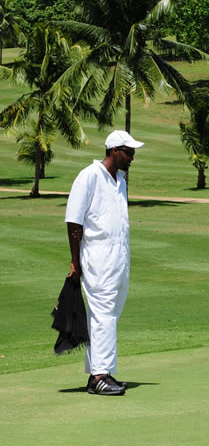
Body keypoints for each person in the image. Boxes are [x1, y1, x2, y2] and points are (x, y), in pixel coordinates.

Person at [65, 130, 144, 395]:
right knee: (103, 316)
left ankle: (96, 373)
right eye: (129, 152)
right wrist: (75, 262)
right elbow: (74, 221)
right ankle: (101, 375)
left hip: (120, 259)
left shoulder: (119, 180)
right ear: (113, 151)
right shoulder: (89, 176)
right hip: (98, 259)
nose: (132, 158)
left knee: (109, 316)